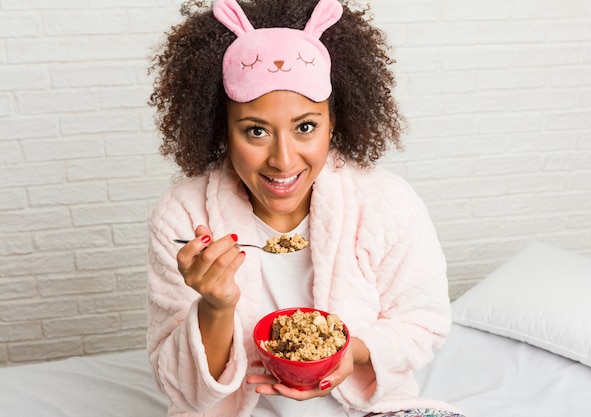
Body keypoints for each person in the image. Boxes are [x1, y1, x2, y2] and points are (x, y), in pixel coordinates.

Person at [146, 0, 465, 416]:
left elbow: (423, 323)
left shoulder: (387, 203)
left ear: (334, 121)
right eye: (256, 130)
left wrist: (354, 351)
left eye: (305, 127)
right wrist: (215, 306)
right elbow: (180, 388)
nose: (283, 159)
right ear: (221, 127)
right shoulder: (184, 215)